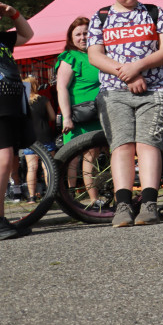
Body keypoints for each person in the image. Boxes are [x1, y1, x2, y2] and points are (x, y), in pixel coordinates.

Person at [86, 0, 163, 228]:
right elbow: (94, 55)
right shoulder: (100, 16)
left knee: (148, 144)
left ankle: (149, 203)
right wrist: (127, 73)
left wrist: (139, 66)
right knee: (122, 146)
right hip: (114, 92)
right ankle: (122, 205)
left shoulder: (154, 12)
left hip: (155, 90)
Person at [0, 0, 35, 240]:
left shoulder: (1, 39)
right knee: (2, 159)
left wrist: (13, 12)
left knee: (5, 162)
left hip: (10, 107)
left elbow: (27, 34)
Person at [55, 16, 105, 209]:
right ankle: (91, 199)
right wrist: (66, 117)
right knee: (83, 157)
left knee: (98, 155)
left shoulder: (99, 53)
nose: (83, 37)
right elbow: (61, 88)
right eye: (78, 34)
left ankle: (103, 196)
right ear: (71, 37)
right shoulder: (70, 57)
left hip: (100, 114)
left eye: (86, 33)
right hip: (81, 117)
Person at [19, 76, 56, 202]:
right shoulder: (44, 99)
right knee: (48, 167)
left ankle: (32, 197)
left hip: (30, 138)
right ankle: (50, 195)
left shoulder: (22, 103)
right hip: (45, 135)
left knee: (31, 168)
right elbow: (52, 117)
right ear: (35, 86)